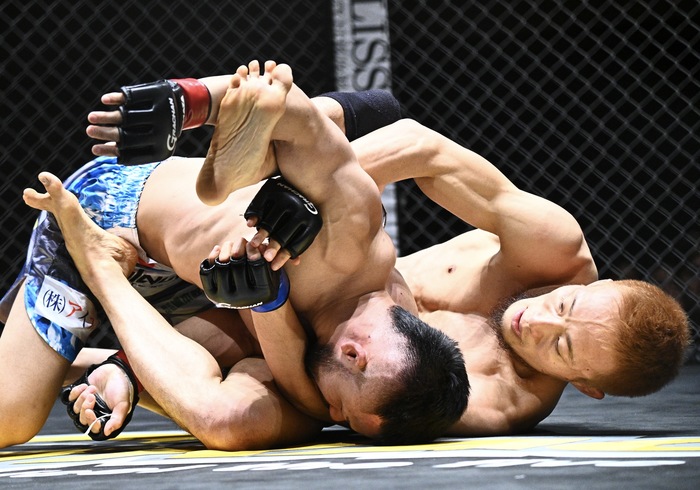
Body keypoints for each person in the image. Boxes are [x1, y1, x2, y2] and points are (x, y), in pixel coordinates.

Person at [0, 60, 468, 450]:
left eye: (342, 417)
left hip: (192, 289)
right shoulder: (353, 240)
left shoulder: (361, 368)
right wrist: (188, 101)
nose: (333, 415)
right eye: (343, 409)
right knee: (10, 417)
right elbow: (290, 102)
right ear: (357, 352)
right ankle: (257, 162)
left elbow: (259, 394)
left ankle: (107, 354)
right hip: (111, 215)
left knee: (251, 328)